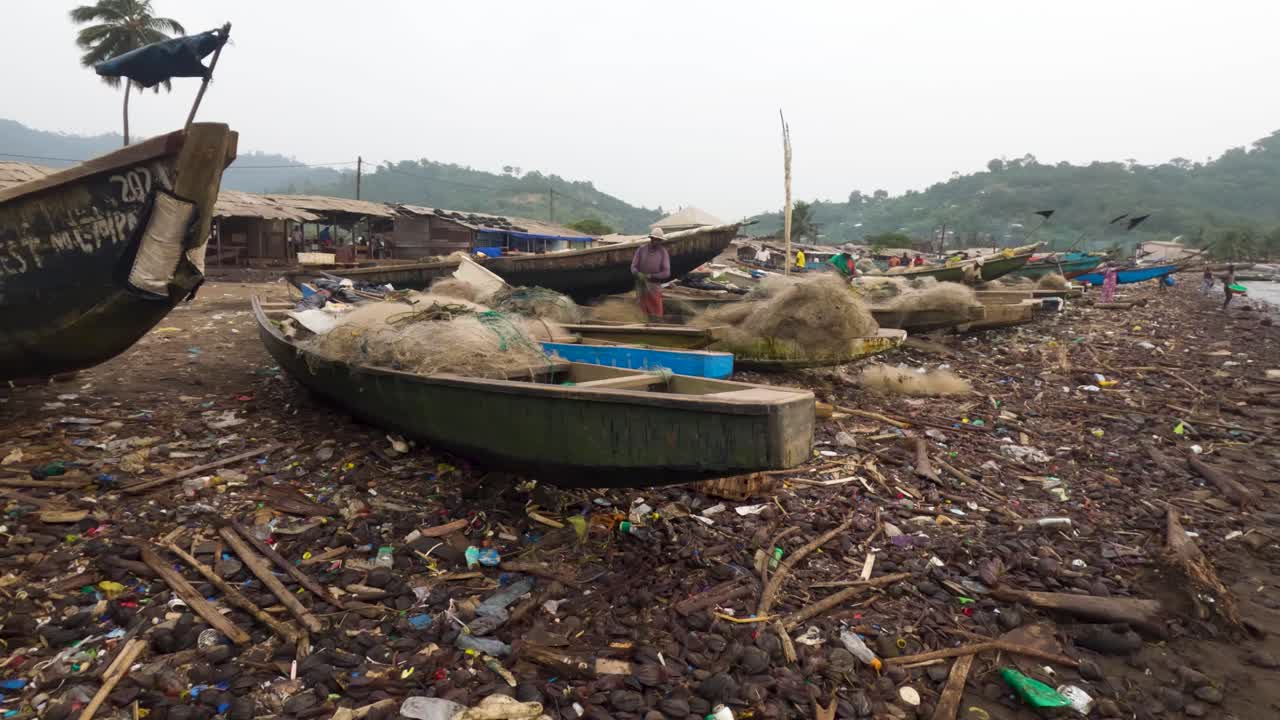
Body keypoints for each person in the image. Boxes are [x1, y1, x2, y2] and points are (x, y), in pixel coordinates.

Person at [631, 227, 671, 320]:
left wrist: (652, 276)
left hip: (654, 285)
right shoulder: (641, 249)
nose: (657, 242)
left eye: (659, 240)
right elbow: (633, 266)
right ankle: (643, 325)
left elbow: (666, 273)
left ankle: (657, 324)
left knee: (656, 307)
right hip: (641, 284)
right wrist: (638, 274)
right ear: (651, 239)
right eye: (655, 239)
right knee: (641, 307)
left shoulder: (663, 252)